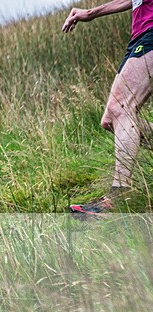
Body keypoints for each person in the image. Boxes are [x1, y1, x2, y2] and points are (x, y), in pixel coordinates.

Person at [65, 0, 153, 214]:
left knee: (120, 108)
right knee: (109, 119)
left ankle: (119, 196)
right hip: (140, 34)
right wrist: (92, 13)